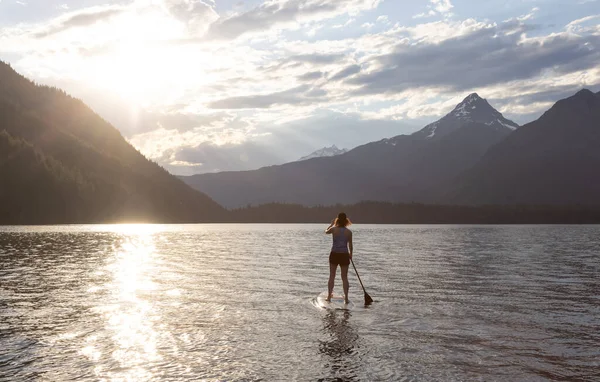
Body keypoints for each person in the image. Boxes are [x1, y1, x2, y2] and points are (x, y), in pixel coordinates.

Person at [325, 212, 353, 303]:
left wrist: (331, 225)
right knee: (344, 277)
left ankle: (329, 296)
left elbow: (326, 232)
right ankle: (346, 298)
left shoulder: (333, 229)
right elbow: (351, 245)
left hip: (334, 254)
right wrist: (351, 254)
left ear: (337, 220)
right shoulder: (349, 232)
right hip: (344, 255)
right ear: (346, 221)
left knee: (332, 276)